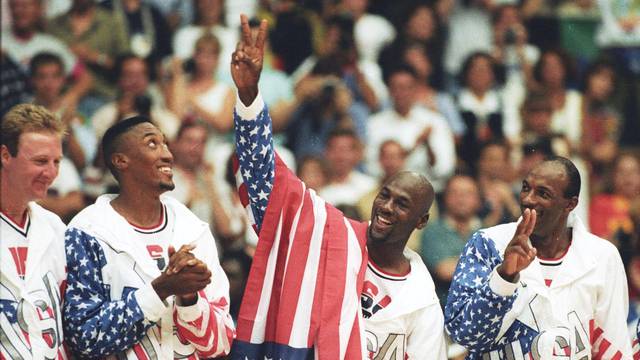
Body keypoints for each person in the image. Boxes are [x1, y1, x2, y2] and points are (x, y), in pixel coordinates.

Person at [230, 15, 446, 359]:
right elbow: (268, 185)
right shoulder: (330, 236)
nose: (387, 206)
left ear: (421, 221)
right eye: (385, 195)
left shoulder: (422, 295)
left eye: (402, 204)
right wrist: (249, 97)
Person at [62, 116, 235, 358]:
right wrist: (160, 290)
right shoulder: (88, 231)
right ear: (121, 160)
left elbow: (221, 343)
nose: (168, 155)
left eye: (165, 143)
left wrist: (189, 299)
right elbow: (84, 338)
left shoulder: (192, 228)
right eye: (152, 144)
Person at [445, 156, 632, 359]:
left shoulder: (602, 256)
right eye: (526, 188)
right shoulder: (488, 243)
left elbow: (613, 345)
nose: (528, 199)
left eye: (543, 193)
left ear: (570, 204)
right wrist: (504, 277)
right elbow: (463, 335)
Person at [0, 104, 68, 359]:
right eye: (40, 161)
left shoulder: (54, 227)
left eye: (56, 162)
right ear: (5, 156)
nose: (51, 173)